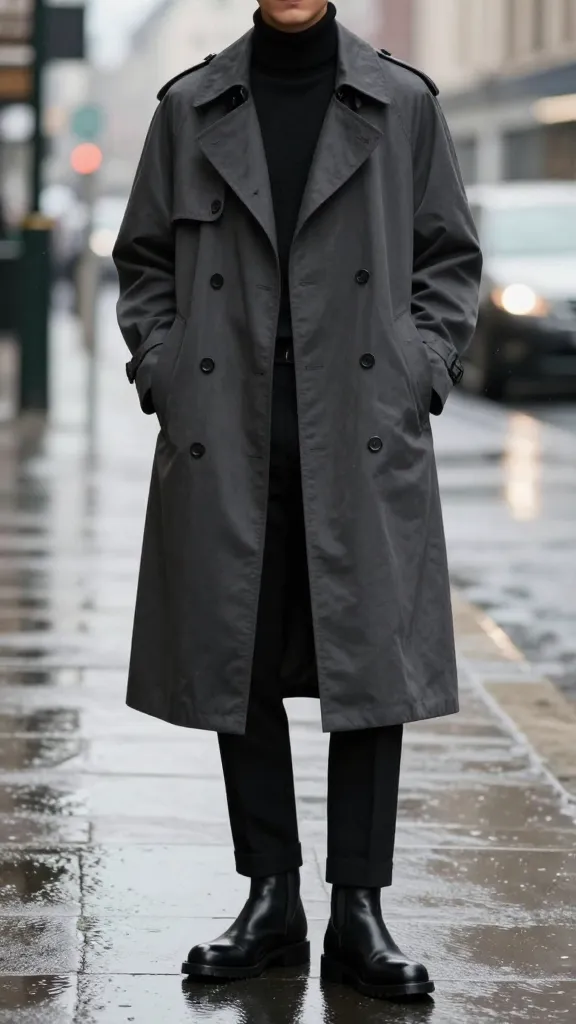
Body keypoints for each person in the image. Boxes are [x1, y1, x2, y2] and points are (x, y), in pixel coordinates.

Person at [113, 0, 482, 1002]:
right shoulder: (191, 107)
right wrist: (166, 371)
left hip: (360, 431)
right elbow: (143, 260)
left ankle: (359, 908)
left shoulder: (400, 103)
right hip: (225, 431)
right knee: (242, 660)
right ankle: (270, 895)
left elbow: (448, 258)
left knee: (373, 671)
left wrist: (422, 371)